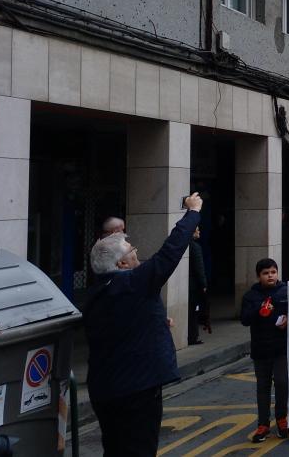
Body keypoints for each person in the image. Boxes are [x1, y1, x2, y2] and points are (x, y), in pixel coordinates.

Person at [82, 193, 203, 456]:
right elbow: (170, 253)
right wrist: (192, 213)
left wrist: (155, 321)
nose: (137, 254)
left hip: (104, 390)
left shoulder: (96, 294)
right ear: (122, 264)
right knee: (140, 449)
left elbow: (119, 326)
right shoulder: (132, 283)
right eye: (133, 252)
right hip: (137, 389)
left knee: (114, 449)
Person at [240, 258, 289, 443]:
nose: (270, 276)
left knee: (282, 382)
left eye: (273, 272)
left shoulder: (286, 291)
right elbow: (244, 319)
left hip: (281, 347)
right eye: (266, 273)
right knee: (263, 386)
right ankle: (263, 424)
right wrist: (258, 310)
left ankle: (282, 418)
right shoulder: (251, 296)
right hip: (260, 348)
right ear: (259, 276)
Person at [188, 226, 208, 346]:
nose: (199, 231)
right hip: (194, 286)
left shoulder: (185, 246)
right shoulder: (195, 247)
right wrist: (204, 284)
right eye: (197, 230)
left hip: (189, 285)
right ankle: (192, 336)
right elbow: (199, 268)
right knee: (194, 311)